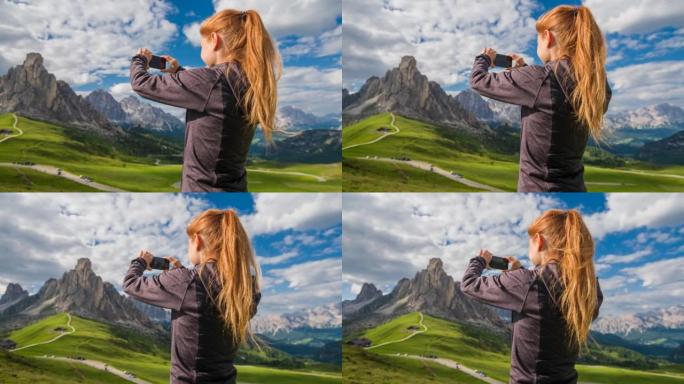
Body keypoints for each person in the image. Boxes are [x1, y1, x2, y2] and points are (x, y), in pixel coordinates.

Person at [129, 9, 281, 192]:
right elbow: (214, 95)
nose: (201, 48)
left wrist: (140, 59)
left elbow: (141, 83)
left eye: (202, 44)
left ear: (215, 40)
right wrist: (179, 73)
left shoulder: (212, 80)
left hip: (202, 188)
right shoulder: (249, 81)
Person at [470, 5, 611, 192]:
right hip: (575, 187)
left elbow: (478, 80)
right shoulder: (595, 87)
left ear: (548, 37)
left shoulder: (538, 80)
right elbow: (550, 96)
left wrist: (484, 58)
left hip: (537, 188)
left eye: (537, 39)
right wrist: (523, 71)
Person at [461, 209, 603, 384]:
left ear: (539, 241)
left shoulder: (527, 283)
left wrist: (479, 260)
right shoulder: (589, 288)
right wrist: (519, 273)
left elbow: (468, 284)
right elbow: (543, 296)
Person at [123, 209, 261, 383]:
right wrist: (179, 274)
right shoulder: (247, 287)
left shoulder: (185, 282)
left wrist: (141, 261)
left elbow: (130, 283)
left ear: (197, 241)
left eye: (188, 242)